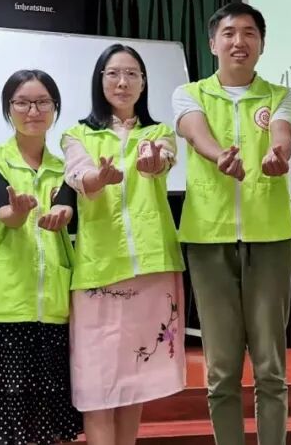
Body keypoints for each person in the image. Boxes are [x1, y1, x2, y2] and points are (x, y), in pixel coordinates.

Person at [171, 1, 291, 445]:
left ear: (261, 44)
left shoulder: (279, 95)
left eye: (249, 33)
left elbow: (282, 133)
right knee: (221, 369)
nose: (239, 41)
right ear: (213, 43)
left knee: (270, 368)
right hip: (209, 239)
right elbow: (194, 131)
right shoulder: (189, 92)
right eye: (229, 33)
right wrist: (218, 155)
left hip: (271, 238)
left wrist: (278, 154)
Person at [62, 44, 187, 444]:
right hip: (100, 268)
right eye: (113, 73)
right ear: (99, 81)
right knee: (96, 386)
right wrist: (98, 180)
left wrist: (155, 163)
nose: (122, 82)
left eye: (132, 74)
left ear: (143, 83)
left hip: (151, 266)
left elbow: (163, 159)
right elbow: (78, 174)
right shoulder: (77, 135)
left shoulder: (159, 133)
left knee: (135, 381)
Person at [0, 69, 83, 444]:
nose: (33, 111)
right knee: (2, 427)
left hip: (53, 308)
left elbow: (69, 214)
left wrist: (62, 213)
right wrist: (20, 211)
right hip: (2, 307)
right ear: (8, 108)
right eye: (22, 102)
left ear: (55, 108)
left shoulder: (67, 168)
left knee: (46, 424)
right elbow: (6, 216)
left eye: (42, 102)